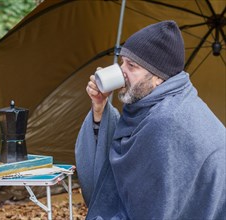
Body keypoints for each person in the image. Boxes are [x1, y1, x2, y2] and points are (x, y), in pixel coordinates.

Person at [75, 20, 225, 220]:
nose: (122, 72)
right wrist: (100, 107)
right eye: (122, 62)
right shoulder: (156, 104)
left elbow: (156, 210)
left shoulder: (167, 121)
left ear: (158, 78)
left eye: (132, 66)